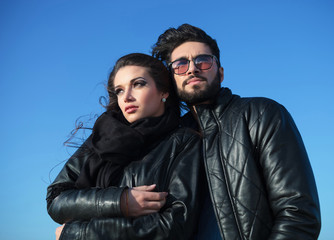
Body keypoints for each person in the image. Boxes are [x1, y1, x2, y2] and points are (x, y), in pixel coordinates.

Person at [151, 24, 321, 239]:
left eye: (203, 60)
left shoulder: (261, 114)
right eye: (180, 64)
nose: (192, 69)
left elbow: (298, 213)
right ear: (172, 80)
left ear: (220, 73)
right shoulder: (169, 140)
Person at [46, 53, 202, 240]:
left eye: (138, 84)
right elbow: (56, 200)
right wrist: (120, 200)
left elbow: (177, 225)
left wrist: (81, 233)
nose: (126, 97)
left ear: (163, 92)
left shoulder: (183, 142)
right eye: (119, 90)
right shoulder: (103, 138)